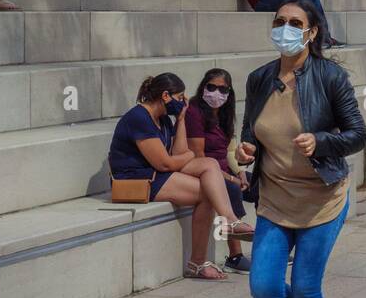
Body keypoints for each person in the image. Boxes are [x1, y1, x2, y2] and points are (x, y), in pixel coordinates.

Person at [237, 0, 366, 298]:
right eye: (280, 21)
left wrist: (322, 141)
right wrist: (242, 150)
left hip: (322, 199)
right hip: (276, 199)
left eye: (295, 23)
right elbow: (248, 135)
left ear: (311, 32)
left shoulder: (330, 77)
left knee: (307, 286)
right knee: (264, 288)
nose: (285, 29)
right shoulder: (260, 78)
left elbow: (358, 135)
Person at [108, 72, 256, 281]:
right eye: (180, 98)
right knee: (207, 191)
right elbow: (165, 162)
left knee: (210, 165)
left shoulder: (165, 119)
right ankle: (201, 257)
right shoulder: (138, 117)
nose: (183, 102)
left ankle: (226, 225)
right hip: (137, 180)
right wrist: (188, 155)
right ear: (165, 96)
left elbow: (176, 155)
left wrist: (181, 118)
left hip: (155, 174)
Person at [184, 68, 253, 275]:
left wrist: (240, 172)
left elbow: (230, 149)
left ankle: (268, 246)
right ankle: (235, 255)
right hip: (205, 170)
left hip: (224, 168)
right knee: (231, 188)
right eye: (211, 87)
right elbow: (199, 155)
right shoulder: (194, 112)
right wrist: (232, 178)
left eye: (222, 89)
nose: (216, 93)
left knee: (261, 184)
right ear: (203, 86)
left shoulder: (224, 112)